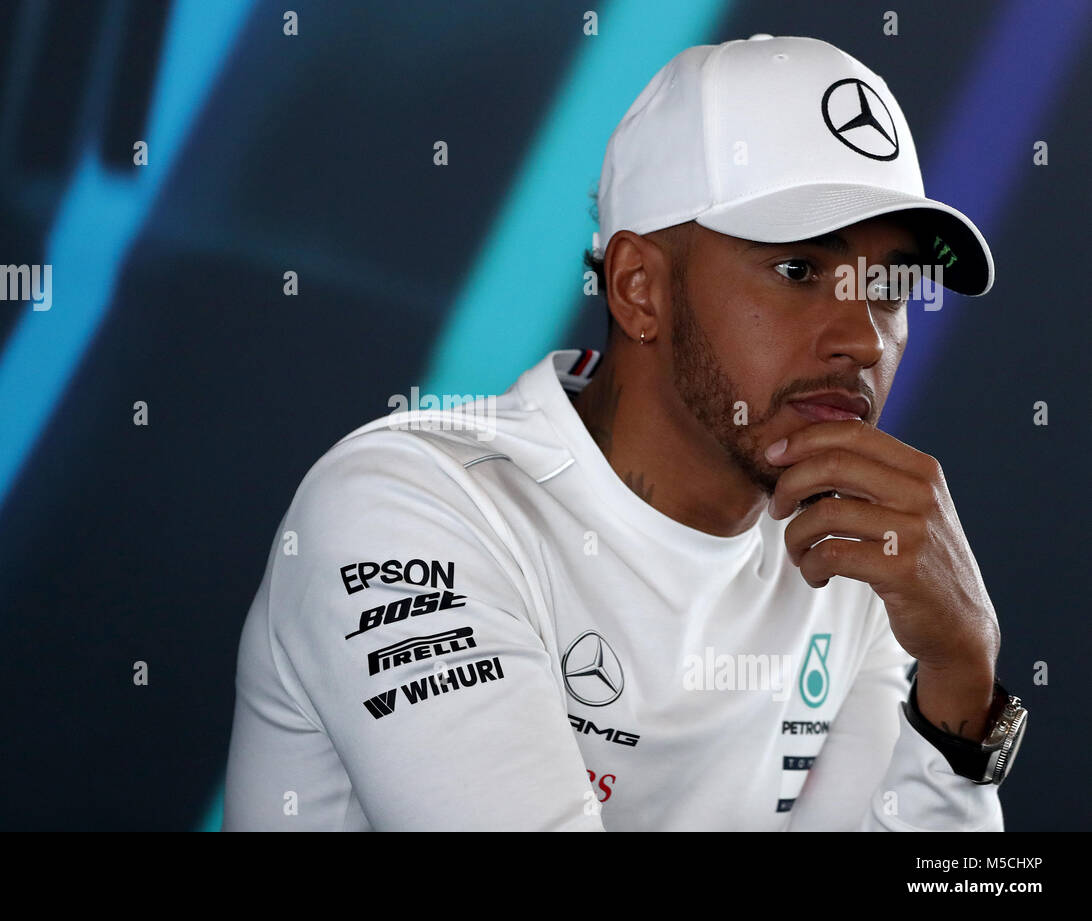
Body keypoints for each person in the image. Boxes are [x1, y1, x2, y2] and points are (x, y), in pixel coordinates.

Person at [222, 34, 1027, 831]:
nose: (864, 337)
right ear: (639, 288)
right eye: (799, 270)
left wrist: (961, 684)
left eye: (888, 286)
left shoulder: (854, 559)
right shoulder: (404, 510)